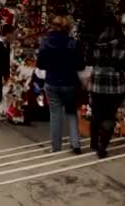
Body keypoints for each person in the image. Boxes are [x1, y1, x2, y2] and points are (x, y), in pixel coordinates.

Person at [37, 16, 84, 154]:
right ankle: (75, 143)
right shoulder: (73, 43)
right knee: (71, 112)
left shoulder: (45, 42)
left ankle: (56, 147)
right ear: (68, 28)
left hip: (52, 81)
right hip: (69, 81)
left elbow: (40, 64)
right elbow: (80, 65)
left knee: (55, 114)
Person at [89, 13, 125, 159]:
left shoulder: (95, 42)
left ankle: (94, 142)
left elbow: (89, 60)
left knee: (96, 112)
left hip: (96, 84)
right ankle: (102, 146)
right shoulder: (124, 45)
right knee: (109, 115)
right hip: (115, 87)